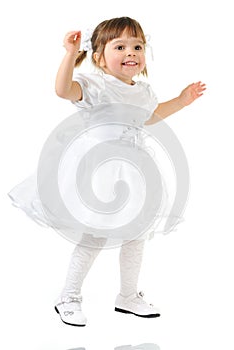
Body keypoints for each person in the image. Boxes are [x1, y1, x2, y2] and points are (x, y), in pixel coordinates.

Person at [52, 16, 206, 327]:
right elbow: (63, 90)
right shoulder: (94, 85)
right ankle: (68, 296)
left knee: (136, 236)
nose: (131, 52)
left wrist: (182, 100)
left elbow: (149, 117)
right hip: (101, 175)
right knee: (95, 235)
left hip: (135, 173)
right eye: (119, 46)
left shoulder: (144, 91)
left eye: (137, 46)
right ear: (98, 57)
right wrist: (70, 54)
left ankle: (127, 295)